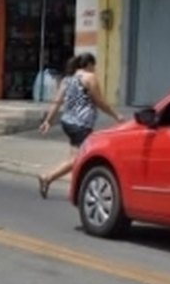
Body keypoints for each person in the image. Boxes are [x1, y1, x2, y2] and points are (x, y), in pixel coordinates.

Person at [37, 52, 123, 198]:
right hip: (81, 124)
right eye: (94, 66)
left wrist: (48, 121)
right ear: (89, 64)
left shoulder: (67, 80)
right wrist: (116, 115)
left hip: (68, 122)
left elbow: (57, 101)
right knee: (78, 159)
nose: (95, 69)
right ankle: (48, 177)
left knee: (74, 158)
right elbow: (99, 101)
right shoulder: (89, 78)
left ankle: (73, 189)